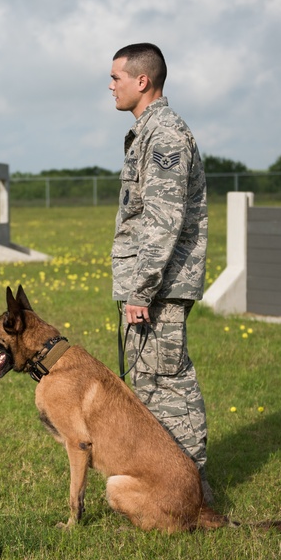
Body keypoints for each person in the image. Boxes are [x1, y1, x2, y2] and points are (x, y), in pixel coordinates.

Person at [108, 42, 212, 502]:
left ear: (142, 81)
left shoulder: (165, 135)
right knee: (149, 384)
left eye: (116, 78)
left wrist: (141, 291)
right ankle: (171, 485)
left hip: (158, 287)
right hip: (149, 286)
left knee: (167, 384)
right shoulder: (146, 132)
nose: (110, 86)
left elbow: (163, 223)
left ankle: (190, 490)